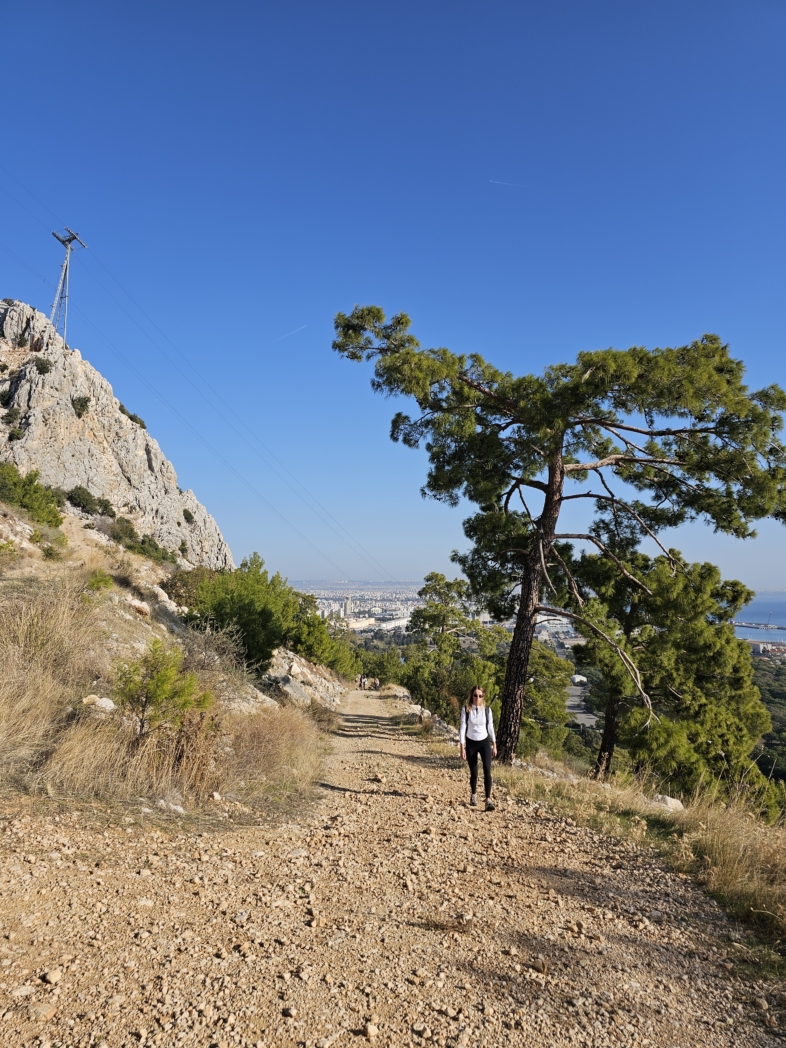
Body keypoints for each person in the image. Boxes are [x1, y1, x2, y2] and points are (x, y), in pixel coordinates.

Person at [459, 686, 496, 811]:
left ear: (483, 697)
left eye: (480, 696)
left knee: (487, 770)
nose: (477, 698)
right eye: (475, 695)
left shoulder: (487, 710)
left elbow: (490, 727)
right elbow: (463, 728)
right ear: (471, 696)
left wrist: (494, 743)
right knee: (474, 773)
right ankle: (474, 794)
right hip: (471, 742)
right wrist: (462, 747)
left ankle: (488, 800)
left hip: (484, 742)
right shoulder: (466, 710)